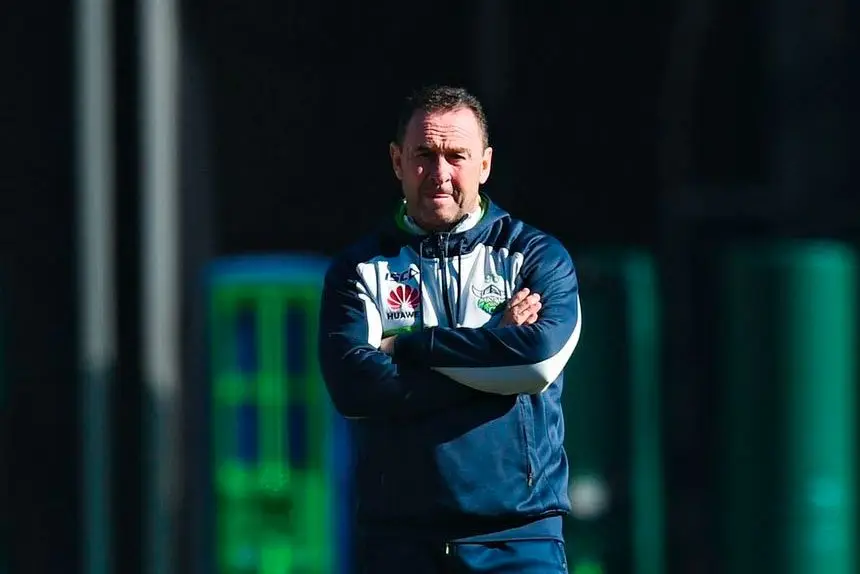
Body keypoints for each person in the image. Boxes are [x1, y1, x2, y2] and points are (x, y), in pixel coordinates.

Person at [318, 84, 582, 573]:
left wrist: (409, 347)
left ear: (484, 165)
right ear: (397, 161)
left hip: (518, 542)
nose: (439, 174)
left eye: (456, 156)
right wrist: (492, 355)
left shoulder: (535, 257)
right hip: (398, 544)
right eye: (424, 155)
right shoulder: (359, 268)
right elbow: (356, 389)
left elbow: (534, 361)